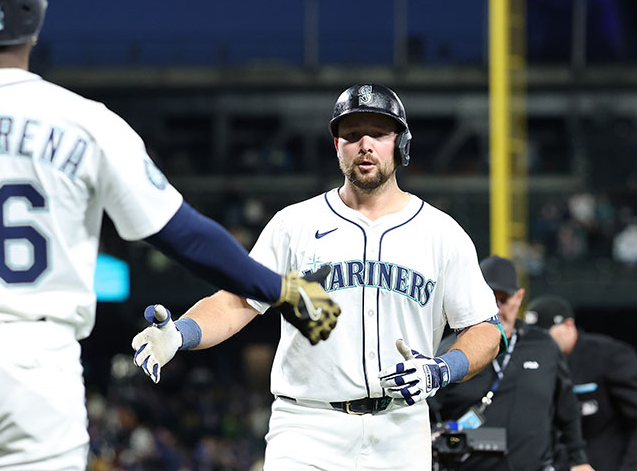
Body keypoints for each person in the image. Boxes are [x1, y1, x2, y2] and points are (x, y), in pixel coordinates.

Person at [0, 0, 338, 470]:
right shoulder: (84, 120)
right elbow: (187, 236)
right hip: (35, 369)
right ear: (35, 14)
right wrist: (281, 289)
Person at [132, 84, 504, 470]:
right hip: (308, 427)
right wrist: (182, 333)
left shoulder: (441, 233)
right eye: (352, 134)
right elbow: (237, 301)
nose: (365, 144)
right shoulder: (296, 224)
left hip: (401, 429)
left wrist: (441, 369)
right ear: (336, 144)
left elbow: (485, 330)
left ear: (401, 143)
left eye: (378, 133)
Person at [429, 255, 593, 471]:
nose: (496, 308)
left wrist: (579, 460)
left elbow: (567, 408)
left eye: (503, 299)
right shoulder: (452, 351)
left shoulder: (544, 346)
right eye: (489, 298)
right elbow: (427, 411)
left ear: (519, 297)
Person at [527, 295, 637, 471]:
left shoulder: (608, 356)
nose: (542, 343)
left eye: (547, 334)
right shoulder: (535, 365)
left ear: (568, 325)